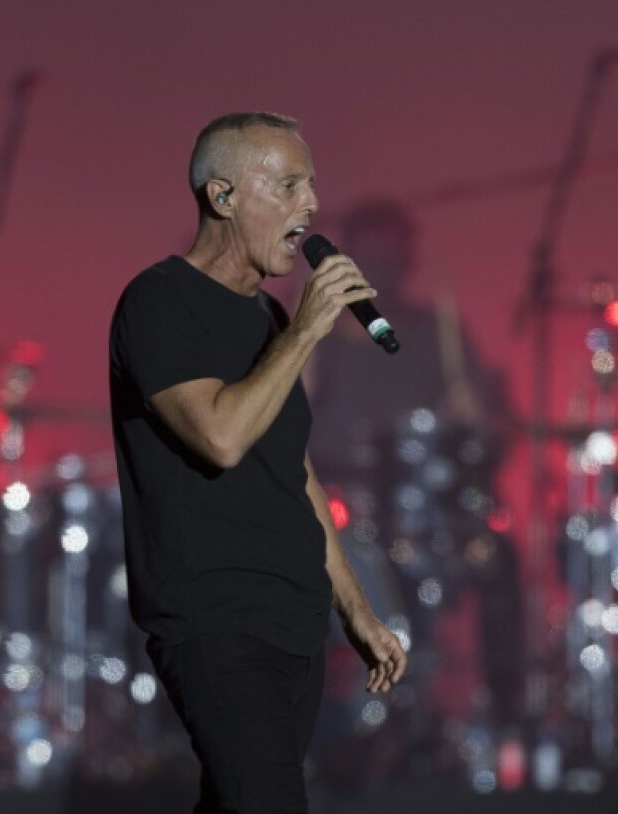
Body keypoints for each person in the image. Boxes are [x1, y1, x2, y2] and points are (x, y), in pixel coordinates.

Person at [109, 111, 407, 812]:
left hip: (294, 621)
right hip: (216, 619)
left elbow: (291, 471)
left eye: (313, 187)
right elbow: (220, 436)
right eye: (290, 185)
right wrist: (306, 331)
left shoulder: (268, 320)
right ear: (223, 196)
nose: (310, 205)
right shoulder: (158, 302)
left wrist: (356, 609)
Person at [305, 199, 524, 777]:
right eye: (364, 254)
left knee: (500, 562)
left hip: (427, 517)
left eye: (387, 254)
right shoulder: (316, 337)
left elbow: (488, 432)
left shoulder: (436, 334)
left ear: (407, 259)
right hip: (336, 513)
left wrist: (481, 418)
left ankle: (507, 720)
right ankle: (331, 728)